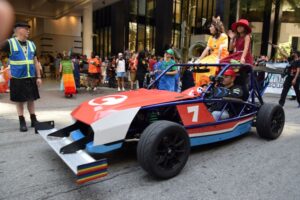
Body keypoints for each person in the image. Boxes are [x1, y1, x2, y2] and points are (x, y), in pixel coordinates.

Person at [0, 21, 42, 132]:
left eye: (29, 29)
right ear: (19, 30)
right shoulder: (9, 43)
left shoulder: (32, 44)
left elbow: (35, 61)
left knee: (31, 99)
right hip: (17, 78)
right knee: (19, 101)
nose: (28, 31)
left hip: (30, 77)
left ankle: (34, 120)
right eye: (26, 28)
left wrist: (38, 76)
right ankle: (22, 121)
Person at [195, 16, 229, 86]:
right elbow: (207, 49)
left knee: (212, 65)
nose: (209, 28)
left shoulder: (223, 36)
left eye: (211, 26)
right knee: (200, 64)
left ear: (216, 27)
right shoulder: (211, 38)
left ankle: (211, 83)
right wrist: (199, 59)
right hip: (213, 56)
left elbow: (222, 47)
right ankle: (202, 84)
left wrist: (218, 59)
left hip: (222, 55)